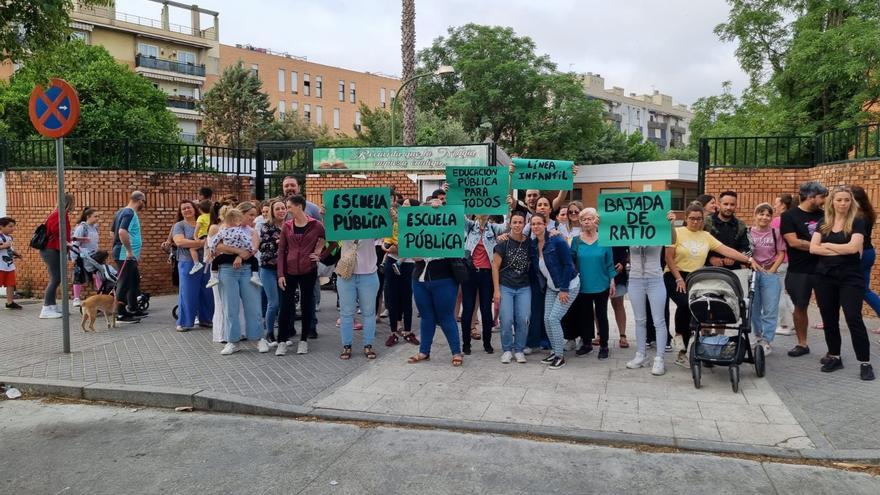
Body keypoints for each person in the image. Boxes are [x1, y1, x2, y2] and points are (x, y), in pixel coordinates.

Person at [665, 202, 763, 368]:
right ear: (686, 219)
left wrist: (748, 259)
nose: (695, 222)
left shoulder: (706, 236)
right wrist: (678, 278)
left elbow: (726, 250)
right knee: (684, 303)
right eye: (692, 219)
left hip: (696, 277)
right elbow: (668, 257)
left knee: (695, 307)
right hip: (675, 274)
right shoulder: (677, 232)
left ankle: (686, 350)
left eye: (699, 219)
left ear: (703, 220)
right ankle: (679, 335)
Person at [809, 186, 874, 381]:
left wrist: (827, 245)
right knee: (829, 318)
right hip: (825, 276)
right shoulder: (823, 222)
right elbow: (813, 249)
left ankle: (865, 362)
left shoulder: (857, 222)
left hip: (850, 276)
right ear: (832, 202)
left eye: (847, 200)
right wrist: (839, 249)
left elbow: (853, 248)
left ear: (851, 202)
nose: (843, 203)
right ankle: (835, 356)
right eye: (839, 200)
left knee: (853, 318)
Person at [780, 181, 828, 357]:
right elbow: (793, 242)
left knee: (828, 307)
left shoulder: (826, 216)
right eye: (822, 197)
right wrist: (819, 246)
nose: (824, 201)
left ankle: (833, 350)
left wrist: (812, 245)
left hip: (824, 268)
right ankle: (802, 344)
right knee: (800, 306)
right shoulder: (789, 216)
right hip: (799, 269)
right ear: (810, 197)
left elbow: (833, 239)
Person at [625, 212, 677, 376]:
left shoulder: (658, 229)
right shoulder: (629, 231)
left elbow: (672, 240)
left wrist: (671, 224)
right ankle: (641, 354)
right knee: (640, 319)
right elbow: (610, 234)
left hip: (655, 279)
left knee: (658, 320)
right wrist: (601, 223)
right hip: (635, 279)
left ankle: (659, 358)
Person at [210, 203, 262, 355]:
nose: (253, 218)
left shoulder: (252, 231)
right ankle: (232, 341)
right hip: (226, 270)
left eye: (254, 215)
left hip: (247, 270)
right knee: (230, 307)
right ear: (240, 214)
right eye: (250, 215)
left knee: (253, 305)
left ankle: (259, 339)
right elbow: (218, 247)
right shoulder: (223, 228)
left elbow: (252, 250)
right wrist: (238, 252)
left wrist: (238, 256)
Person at [530, 213, 579, 370]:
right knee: (546, 319)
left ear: (546, 225)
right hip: (552, 286)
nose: (536, 226)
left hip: (568, 285)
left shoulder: (556, 240)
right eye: (533, 224)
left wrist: (564, 289)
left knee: (553, 319)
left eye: (539, 223)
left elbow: (567, 265)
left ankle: (560, 356)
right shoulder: (532, 244)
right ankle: (554, 351)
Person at [277, 195, 325, 356]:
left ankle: (304, 340)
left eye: (289, 207)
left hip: (308, 270)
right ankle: (282, 341)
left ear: (299, 206)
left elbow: (331, 241)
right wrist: (280, 274)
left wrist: (320, 255)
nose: (287, 210)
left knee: (307, 305)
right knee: (285, 306)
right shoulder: (287, 226)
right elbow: (281, 251)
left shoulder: (316, 225)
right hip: (289, 270)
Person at [568, 208, 615, 359]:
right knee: (585, 316)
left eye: (590, 219)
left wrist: (612, 280)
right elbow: (570, 261)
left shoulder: (605, 239)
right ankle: (587, 344)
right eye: (583, 219)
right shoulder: (576, 241)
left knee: (602, 315)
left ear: (596, 221)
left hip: (602, 284)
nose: (587, 222)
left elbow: (610, 263)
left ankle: (604, 345)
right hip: (583, 285)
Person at [282, 175, 322, 338]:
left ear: (299, 187)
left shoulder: (312, 208)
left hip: (307, 263)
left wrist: (319, 252)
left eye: (292, 185)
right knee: (287, 298)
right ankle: (289, 327)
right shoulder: (280, 207)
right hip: (287, 262)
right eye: (286, 186)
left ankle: (311, 326)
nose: (289, 188)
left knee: (309, 297)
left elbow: (322, 233)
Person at [461, 214, 507, 355]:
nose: (483, 212)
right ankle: (466, 343)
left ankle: (487, 343)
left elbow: (508, 226)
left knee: (486, 310)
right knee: (468, 308)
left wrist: (510, 207)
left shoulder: (493, 228)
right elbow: (458, 214)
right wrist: (452, 194)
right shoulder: (469, 226)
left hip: (487, 274)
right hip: (469, 272)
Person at [407, 257, 464, 367]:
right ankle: (424, 351)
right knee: (426, 316)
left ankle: (456, 352)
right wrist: (413, 255)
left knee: (446, 317)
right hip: (419, 278)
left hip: (444, 277)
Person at [492, 210, 531, 364]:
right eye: (514, 222)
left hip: (524, 287)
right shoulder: (502, 242)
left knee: (523, 319)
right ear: (510, 223)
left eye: (520, 222)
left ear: (524, 224)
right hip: (506, 286)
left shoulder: (529, 241)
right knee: (506, 320)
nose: (517, 225)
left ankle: (519, 349)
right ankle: (507, 349)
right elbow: (495, 267)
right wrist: (496, 290)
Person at [749, 203, 786, 355]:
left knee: (770, 308)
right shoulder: (748, 232)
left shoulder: (775, 232)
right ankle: (757, 336)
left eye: (768, 215)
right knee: (754, 308)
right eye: (761, 214)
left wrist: (771, 270)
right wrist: (755, 265)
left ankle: (767, 339)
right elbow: (746, 253)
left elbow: (781, 253)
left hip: (770, 273)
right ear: (755, 215)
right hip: (752, 273)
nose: (764, 217)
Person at [171, 200, 214, 332]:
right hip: (187, 263)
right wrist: (202, 243)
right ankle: (184, 322)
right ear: (180, 211)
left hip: (206, 261)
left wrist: (199, 243)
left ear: (194, 209)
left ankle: (206, 319)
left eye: (188, 207)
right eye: (183, 209)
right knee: (188, 293)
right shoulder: (179, 225)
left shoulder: (204, 222)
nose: (186, 210)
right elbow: (180, 242)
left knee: (207, 292)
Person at [383, 198, 420, 347]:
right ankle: (393, 332)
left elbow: (414, 245)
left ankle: (408, 331)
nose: (403, 207)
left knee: (406, 298)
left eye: (407, 205)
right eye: (402, 205)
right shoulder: (394, 224)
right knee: (392, 298)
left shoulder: (417, 224)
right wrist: (394, 248)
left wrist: (400, 248)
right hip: (392, 262)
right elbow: (386, 246)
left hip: (409, 264)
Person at [336, 237, 381, 360]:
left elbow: (385, 225)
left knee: (369, 312)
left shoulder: (372, 224)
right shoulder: (343, 223)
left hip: (369, 273)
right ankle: (346, 345)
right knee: (346, 312)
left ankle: (368, 345)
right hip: (346, 273)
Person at [38, 193, 74, 319]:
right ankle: (46, 308)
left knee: (56, 278)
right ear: (68, 203)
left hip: (52, 249)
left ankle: (52, 306)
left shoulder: (59, 213)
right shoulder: (60, 214)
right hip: (51, 249)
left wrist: (72, 239)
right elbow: (55, 231)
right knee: (56, 278)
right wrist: (66, 241)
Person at [112, 191, 147, 322]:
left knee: (134, 280)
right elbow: (121, 232)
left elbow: (112, 233)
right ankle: (120, 314)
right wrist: (129, 250)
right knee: (124, 283)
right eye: (144, 201)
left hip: (127, 254)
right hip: (125, 254)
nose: (143, 204)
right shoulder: (129, 213)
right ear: (140, 200)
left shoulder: (120, 212)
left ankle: (132, 308)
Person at [851, 186, 880, 335]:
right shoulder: (867, 213)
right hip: (869, 252)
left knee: (861, 289)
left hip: (861, 254)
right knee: (863, 289)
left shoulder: (857, 217)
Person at [258, 198, 286, 345]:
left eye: (283, 208)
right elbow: (261, 246)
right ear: (272, 212)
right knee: (273, 303)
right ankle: (269, 333)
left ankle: (283, 333)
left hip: (286, 270)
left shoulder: (290, 226)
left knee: (285, 304)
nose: (281, 211)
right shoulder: (266, 227)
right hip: (268, 268)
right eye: (278, 209)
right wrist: (276, 243)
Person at [771, 194, 795, 335]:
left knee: (778, 294)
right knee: (785, 293)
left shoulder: (777, 221)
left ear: (783, 205)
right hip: (789, 260)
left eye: (776, 203)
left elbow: (773, 241)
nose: (774, 206)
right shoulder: (793, 218)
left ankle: (784, 325)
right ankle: (797, 320)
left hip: (778, 261)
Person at [71, 207, 100, 307]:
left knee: (98, 274)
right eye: (95, 216)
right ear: (88, 217)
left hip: (93, 256)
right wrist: (74, 258)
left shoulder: (95, 228)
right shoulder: (82, 228)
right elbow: (75, 243)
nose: (97, 218)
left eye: (98, 216)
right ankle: (76, 298)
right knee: (78, 276)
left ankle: (101, 295)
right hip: (82, 256)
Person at [0, 217, 22, 310]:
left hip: (9, 265)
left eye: (13, 226)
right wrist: (4, 245)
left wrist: (17, 254)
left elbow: (10, 249)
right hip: (0, 265)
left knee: (10, 284)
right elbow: (5, 246)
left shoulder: (9, 237)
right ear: (1, 226)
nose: (12, 228)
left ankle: (10, 302)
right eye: (10, 226)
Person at [610, 246, 630, 348]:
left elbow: (626, 247)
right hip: (599, 268)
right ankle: (599, 334)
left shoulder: (618, 229)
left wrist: (623, 262)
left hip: (617, 269)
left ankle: (622, 335)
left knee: (618, 304)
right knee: (599, 305)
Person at [188, 199, 214, 275]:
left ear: (200, 209)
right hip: (210, 236)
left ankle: (196, 264)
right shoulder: (212, 217)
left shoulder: (201, 217)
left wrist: (195, 237)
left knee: (192, 249)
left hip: (202, 236)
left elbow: (197, 228)